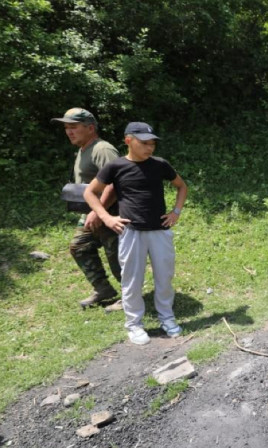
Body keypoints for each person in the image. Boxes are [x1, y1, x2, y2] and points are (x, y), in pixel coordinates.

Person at [84, 122, 188, 345]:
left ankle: (167, 318)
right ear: (128, 141)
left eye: (152, 144)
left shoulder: (160, 164)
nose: (150, 148)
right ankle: (134, 325)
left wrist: (176, 212)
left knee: (164, 277)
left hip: (160, 231)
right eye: (144, 143)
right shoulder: (116, 166)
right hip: (131, 233)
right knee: (132, 280)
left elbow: (181, 186)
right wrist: (106, 217)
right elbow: (90, 193)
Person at [52, 108, 123, 311]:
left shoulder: (102, 149)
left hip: (111, 214)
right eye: (67, 127)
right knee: (80, 246)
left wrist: (99, 211)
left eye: (74, 127)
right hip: (93, 213)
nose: (69, 131)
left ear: (90, 128)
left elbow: (115, 182)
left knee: (117, 258)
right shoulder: (84, 149)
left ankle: (131, 297)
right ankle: (103, 289)